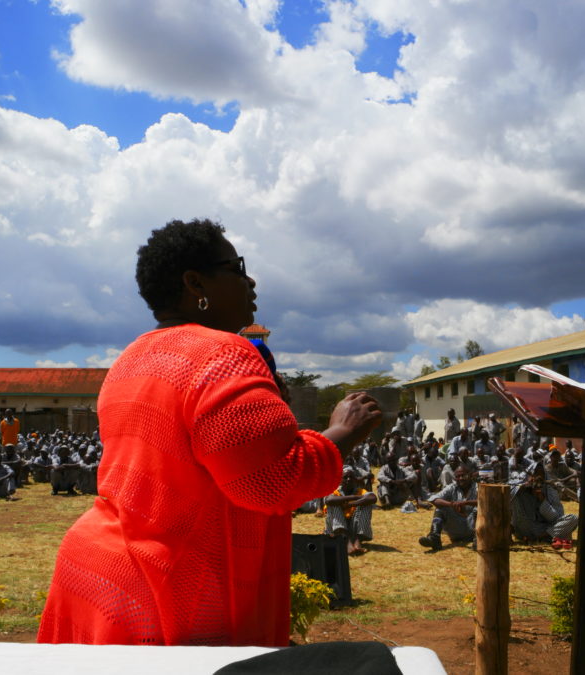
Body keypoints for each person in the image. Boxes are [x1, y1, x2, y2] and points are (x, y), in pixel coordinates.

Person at [39, 218, 381, 647]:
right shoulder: (223, 354)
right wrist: (344, 432)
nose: (250, 281)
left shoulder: (129, 360)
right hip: (168, 592)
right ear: (195, 283)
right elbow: (270, 480)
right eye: (237, 267)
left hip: (101, 576)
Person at [510, 463, 577, 549]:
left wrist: (542, 500)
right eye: (536, 473)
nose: (538, 477)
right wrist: (523, 487)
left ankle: (539, 538)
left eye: (541, 474)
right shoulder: (519, 485)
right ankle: (548, 538)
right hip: (522, 529)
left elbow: (555, 519)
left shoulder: (549, 490)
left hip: (541, 529)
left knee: (573, 518)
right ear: (530, 474)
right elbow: (507, 490)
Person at [418, 465, 478, 550]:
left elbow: (486, 502)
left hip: (474, 528)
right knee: (441, 508)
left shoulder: (477, 487)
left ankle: (478, 541)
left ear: (470, 475)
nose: (461, 478)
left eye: (463, 475)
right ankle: (434, 538)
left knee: (478, 509)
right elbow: (433, 499)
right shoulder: (453, 487)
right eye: (458, 476)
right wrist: (452, 504)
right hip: (456, 528)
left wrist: (465, 503)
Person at [323, 468, 376, 555]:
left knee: (366, 503)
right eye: (345, 477)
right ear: (340, 480)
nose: (348, 479)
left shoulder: (360, 491)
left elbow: (373, 498)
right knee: (334, 503)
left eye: (351, 477)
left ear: (355, 479)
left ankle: (357, 540)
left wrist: (350, 504)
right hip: (336, 529)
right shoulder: (335, 491)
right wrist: (353, 497)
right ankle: (346, 541)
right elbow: (328, 500)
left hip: (353, 528)